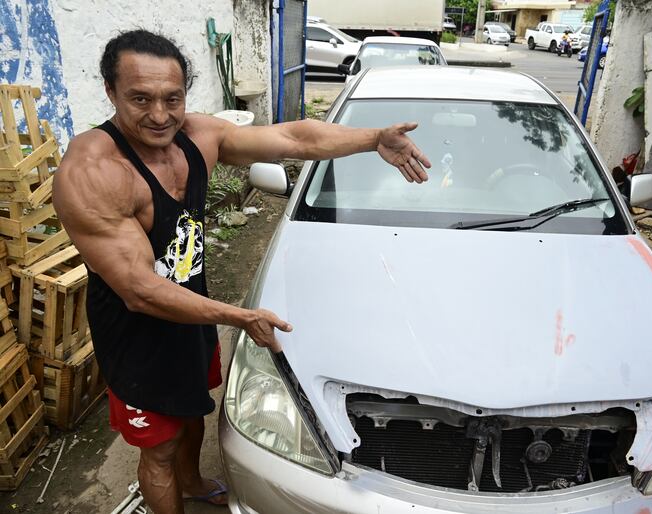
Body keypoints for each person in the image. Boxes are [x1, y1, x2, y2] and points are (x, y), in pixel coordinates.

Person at [52, 29, 430, 514]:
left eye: (173, 98)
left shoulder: (196, 136)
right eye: (140, 99)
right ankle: (172, 486)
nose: (160, 115)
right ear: (110, 93)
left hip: (193, 311)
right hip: (138, 335)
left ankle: (190, 481)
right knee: (159, 450)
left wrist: (372, 139)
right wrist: (239, 316)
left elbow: (293, 137)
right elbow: (141, 291)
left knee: (192, 412)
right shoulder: (94, 171)